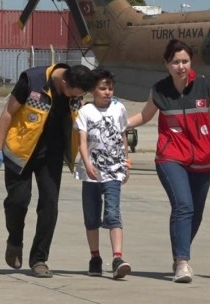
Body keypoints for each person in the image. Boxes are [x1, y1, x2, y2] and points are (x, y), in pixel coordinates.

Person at [127, 39, 210, 284]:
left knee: (194, 214)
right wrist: (117, 122)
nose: (180, 66)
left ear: (190, 62)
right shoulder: (160, 91)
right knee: (183, 206)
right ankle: (183, 263)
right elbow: (144, 115)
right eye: (175, 62)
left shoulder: (205, 87)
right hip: (170, 157)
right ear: (167, 64)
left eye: (185, 61)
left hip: (203, 159)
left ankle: (178, 256)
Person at [0, 63, 94, 278]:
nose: (76, 97)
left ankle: (39, 259)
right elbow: (8, 112)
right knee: (17, 201)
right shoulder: (32, 80)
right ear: (64, 83)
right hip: (20, 151)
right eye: (75, 93)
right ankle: (15, 240)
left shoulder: (74, 87)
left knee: (49, 206)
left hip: (51, 156)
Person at [75, 68, 132, 279]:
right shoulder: (85, 111)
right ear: (93, 90)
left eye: (110, 88)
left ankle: (117, 257)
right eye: (102, 88)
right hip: (90, 171)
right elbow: (82, 141)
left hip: (113, 170)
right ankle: (95, 257)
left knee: (113, 213)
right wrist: (87, 162)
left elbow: (123, 137)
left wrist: (126, 162)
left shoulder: (119, 109)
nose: (107, 92)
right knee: (91, 216)